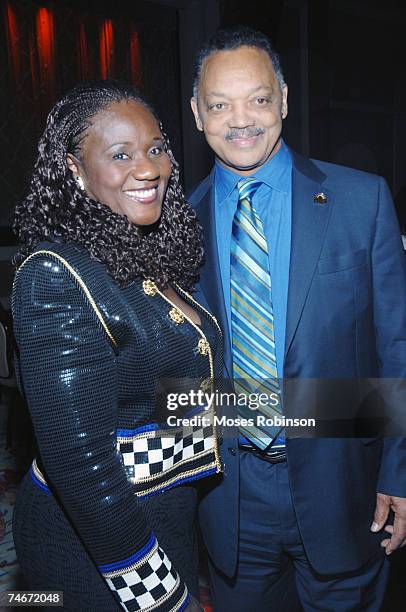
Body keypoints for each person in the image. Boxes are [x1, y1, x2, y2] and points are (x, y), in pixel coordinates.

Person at [188, 25, 406, 611]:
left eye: (258, 99)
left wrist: (400, 472)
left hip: (344, 485)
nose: (242, 120)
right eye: (220, 104)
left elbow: (398, 347)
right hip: (229, 493)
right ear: (196, 111)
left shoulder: (363, 201)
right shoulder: (174, 224)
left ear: (283, 98)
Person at [12, 80, 223, 612]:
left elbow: (176, 394)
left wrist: (354, 408)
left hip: (166, 518)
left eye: (155, 149)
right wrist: (161, 595)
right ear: (74, 170)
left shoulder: (149, 251)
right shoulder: (55, 273)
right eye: (121, 154)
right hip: (93, 551)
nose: (147, 168)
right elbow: (82, 467)